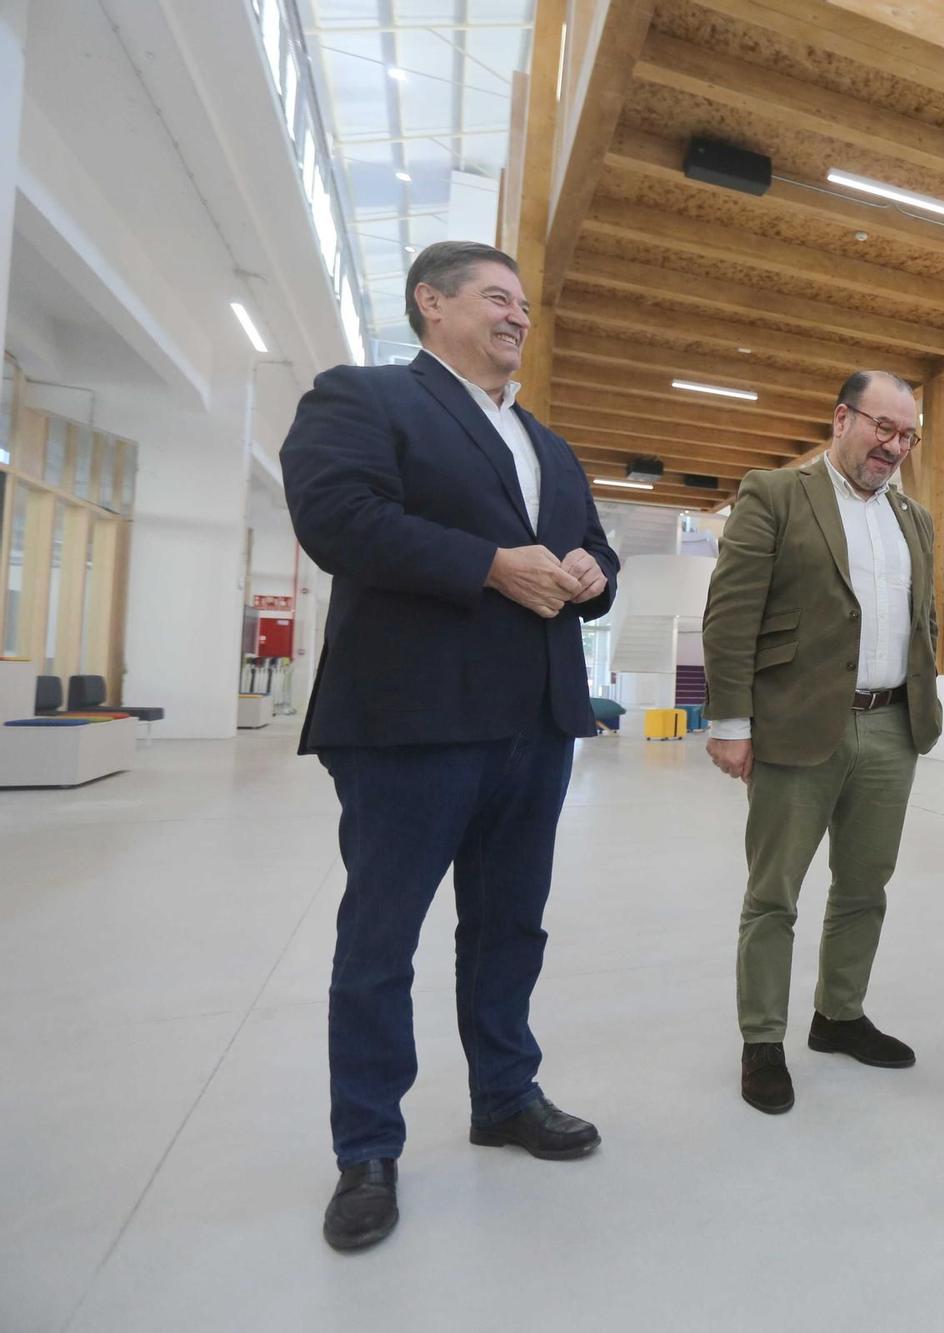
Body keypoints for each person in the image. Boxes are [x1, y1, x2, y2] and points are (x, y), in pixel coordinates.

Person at [282, 240, 620, 1252]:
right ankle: (367, 1147)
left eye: (524, 305)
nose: (517, 316)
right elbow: (337, 517)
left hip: (534, 725)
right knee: (380, 940)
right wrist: (488, 564)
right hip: (412, 722)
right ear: (430, 302)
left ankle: (505, 1095)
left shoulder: (548, 444)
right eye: (496, 297)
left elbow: (595, 549)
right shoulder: (365, 397)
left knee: (510, 928)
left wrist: (592, 572)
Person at [702, 371, 943, 1115]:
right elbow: (732, 613)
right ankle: (762, 1039)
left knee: (865, 886)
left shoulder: (914, 517)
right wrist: (731, 723)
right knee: (773, 892)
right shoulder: (776, 494)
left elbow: (924, 619)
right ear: (842, 419)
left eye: (907, 436)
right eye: (883, 428)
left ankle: (839, 1014)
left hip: (891, 726)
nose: (894, 447)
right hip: (796, 726)